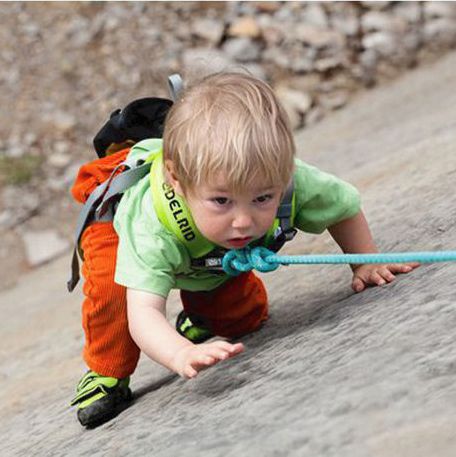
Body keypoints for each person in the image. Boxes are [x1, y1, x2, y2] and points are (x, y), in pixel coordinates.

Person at [70, 72, 418, 426]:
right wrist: (179, 352)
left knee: (245, 319)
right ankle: (106, 374)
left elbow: (343, 207)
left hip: (207, 252)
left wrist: (364, 262)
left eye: (262, 198)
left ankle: (200, 317)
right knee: (112, 297)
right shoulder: (152, 227)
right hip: (114, 227)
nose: (243, 221)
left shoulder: (283, 180)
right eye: (222, 200)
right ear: (177, 180)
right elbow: (143, 313)